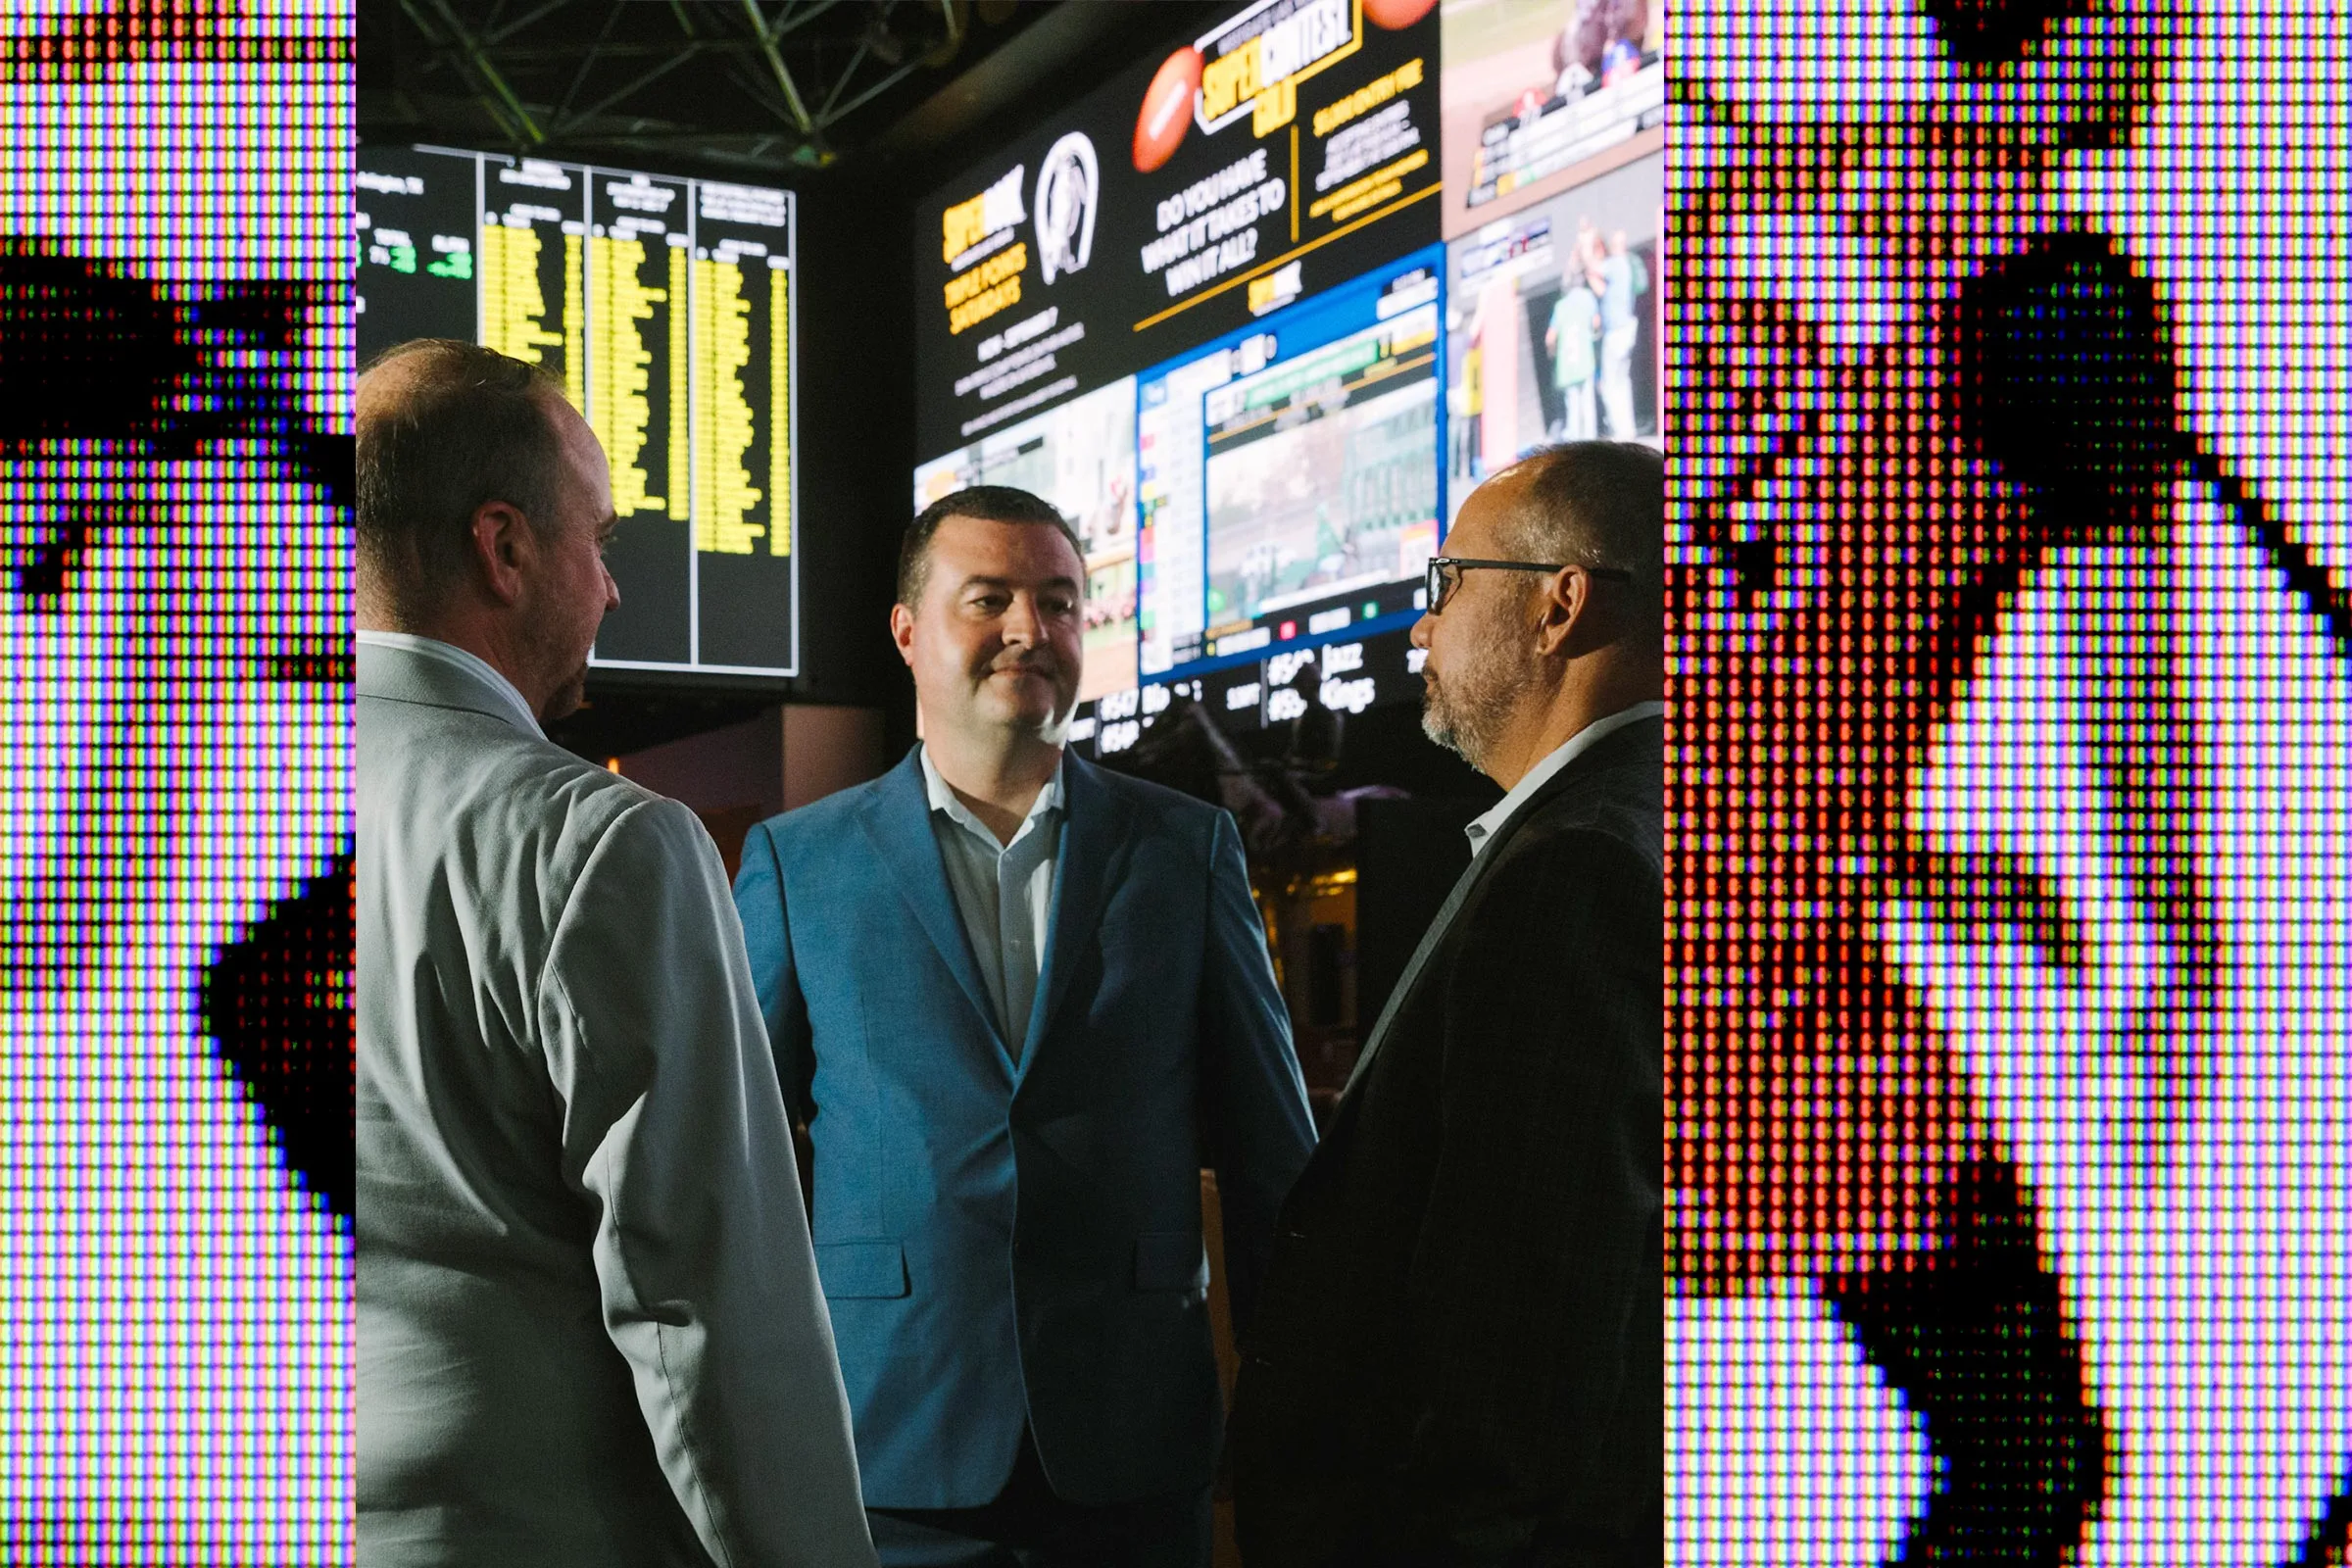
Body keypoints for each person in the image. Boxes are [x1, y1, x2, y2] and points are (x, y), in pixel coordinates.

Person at [355, 339, 874, 1568]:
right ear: (506, 547)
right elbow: (708, 1312)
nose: (613, 589)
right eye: (601, 541)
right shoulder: (597, 842)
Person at [732, 484, 1317, 1568]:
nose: (1028, 631)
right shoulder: (796, 863)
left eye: (1058, 602)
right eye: (989, 598)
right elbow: (735, 1165)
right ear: (908, 632)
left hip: (1132, 1452)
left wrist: (1292, 1416)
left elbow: (1270, 1159)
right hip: (888, 1445)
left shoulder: (1184, 850)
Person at [1229, 442, 1665, 1567]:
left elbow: (1529, 1306)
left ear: (1559, 605)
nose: (1419, 630)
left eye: (1446, 584)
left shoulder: (1574, 871)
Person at [1593, 228, 1648, 440]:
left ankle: (1618, 430)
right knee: (1622, 381)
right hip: (1627, 329)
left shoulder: (1615, 264)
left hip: (1615, 331)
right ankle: (1628, 428)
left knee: (1609, 383)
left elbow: (1595, 268)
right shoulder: (1626, 265)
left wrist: (1584, 245)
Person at [1544, 263, 1602, 441]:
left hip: (1567, 364)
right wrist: (1594, 337)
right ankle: (1591, 439)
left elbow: (1550, 338)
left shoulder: (1560, 306)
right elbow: (1596, 323)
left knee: (1573, 404)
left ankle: (1577, 442)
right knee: (1588, 401)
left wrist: (1552, 352)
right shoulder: (1587, 297)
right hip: (1585, 359)